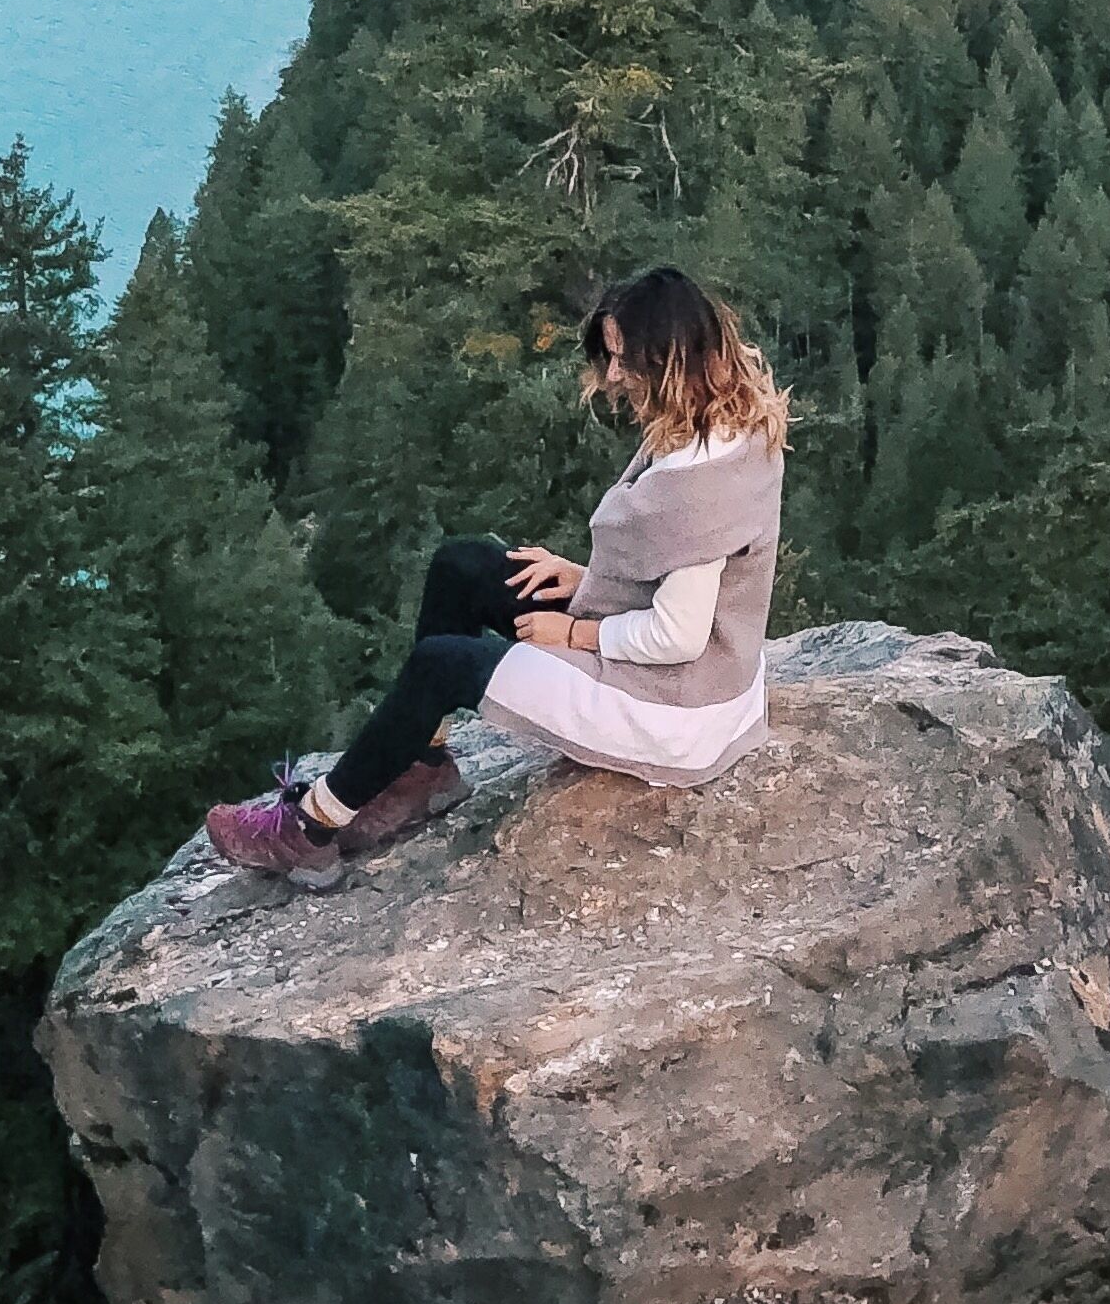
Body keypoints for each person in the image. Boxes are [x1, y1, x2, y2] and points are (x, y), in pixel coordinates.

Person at [205, 266, 789, 888]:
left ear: (669, 357)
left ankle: (310, 831)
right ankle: (421, 772)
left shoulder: (698, 481)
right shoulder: (722, 423)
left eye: (626, 359)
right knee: (460, 566)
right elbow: (681, 570)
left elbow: (679, 637)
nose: (614, 375)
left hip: (673, 708)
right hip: (682, 671)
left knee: (443, 664)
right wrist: (583, 577)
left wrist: (573, 638)